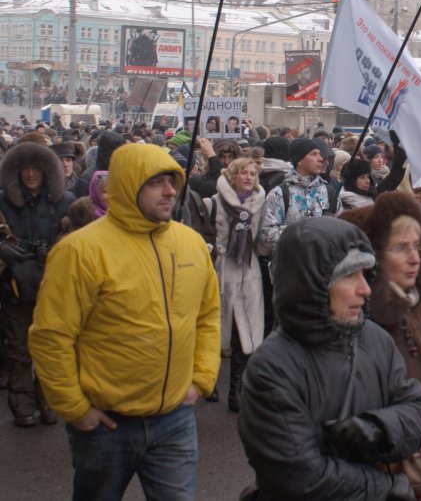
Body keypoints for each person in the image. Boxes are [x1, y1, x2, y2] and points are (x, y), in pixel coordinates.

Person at [28, 143, 221, 499]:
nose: (169, 191)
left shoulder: (191, 243)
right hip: (106, 424)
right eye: (155, 182)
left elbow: (208, 316)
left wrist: (202, 378)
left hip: (175, 419)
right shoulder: (80, 251)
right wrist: (75, 408)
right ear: (128, 186)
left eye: (172, 182)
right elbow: (51, 336)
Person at [237, 217, 421, 500]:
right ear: (310, 284)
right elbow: (298, 477)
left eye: (365, 274)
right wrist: (387, 488)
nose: (365, 289)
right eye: (349, 275)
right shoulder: (271, 367)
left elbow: (419, 408)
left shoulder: (375, 340)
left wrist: (378, 429)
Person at [340, 192, 421, 497]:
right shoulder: (355, 320)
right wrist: (403, 471)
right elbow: (358, 422)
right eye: (400, 247)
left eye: (418, 246)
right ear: (371, 254)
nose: (415, 257)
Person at [0, 141, 76, 427]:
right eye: (24, 168)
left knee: (51, 347)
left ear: (46, 171)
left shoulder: (66, 200)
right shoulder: (2, 200)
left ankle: (49, 402)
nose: (30, 174)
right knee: (18, 349)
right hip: (15, 286)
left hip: (52, 285)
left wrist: (59, 246)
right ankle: (23, 406)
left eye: (36, 168)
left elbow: (82, 238)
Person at [207, 157, 266, 413]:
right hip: (221, 269)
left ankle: (236, 390)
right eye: (244, 172)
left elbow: (262, 239)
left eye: (253, 173)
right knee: (215, 329)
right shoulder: (214, 202)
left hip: (248, 270)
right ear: (233, 175)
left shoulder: (260, 203)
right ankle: (208, 379)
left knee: (246, 334)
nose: (249, 177)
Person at [257, 138, 340, 255]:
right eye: (314, 154)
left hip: (323, 266)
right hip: (290, 267)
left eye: (319, 154)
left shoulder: (329, 192)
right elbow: (266, 235)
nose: (321, 159)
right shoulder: (280, 193)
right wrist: (303, 241)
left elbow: (341, 228)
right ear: (299, 160)